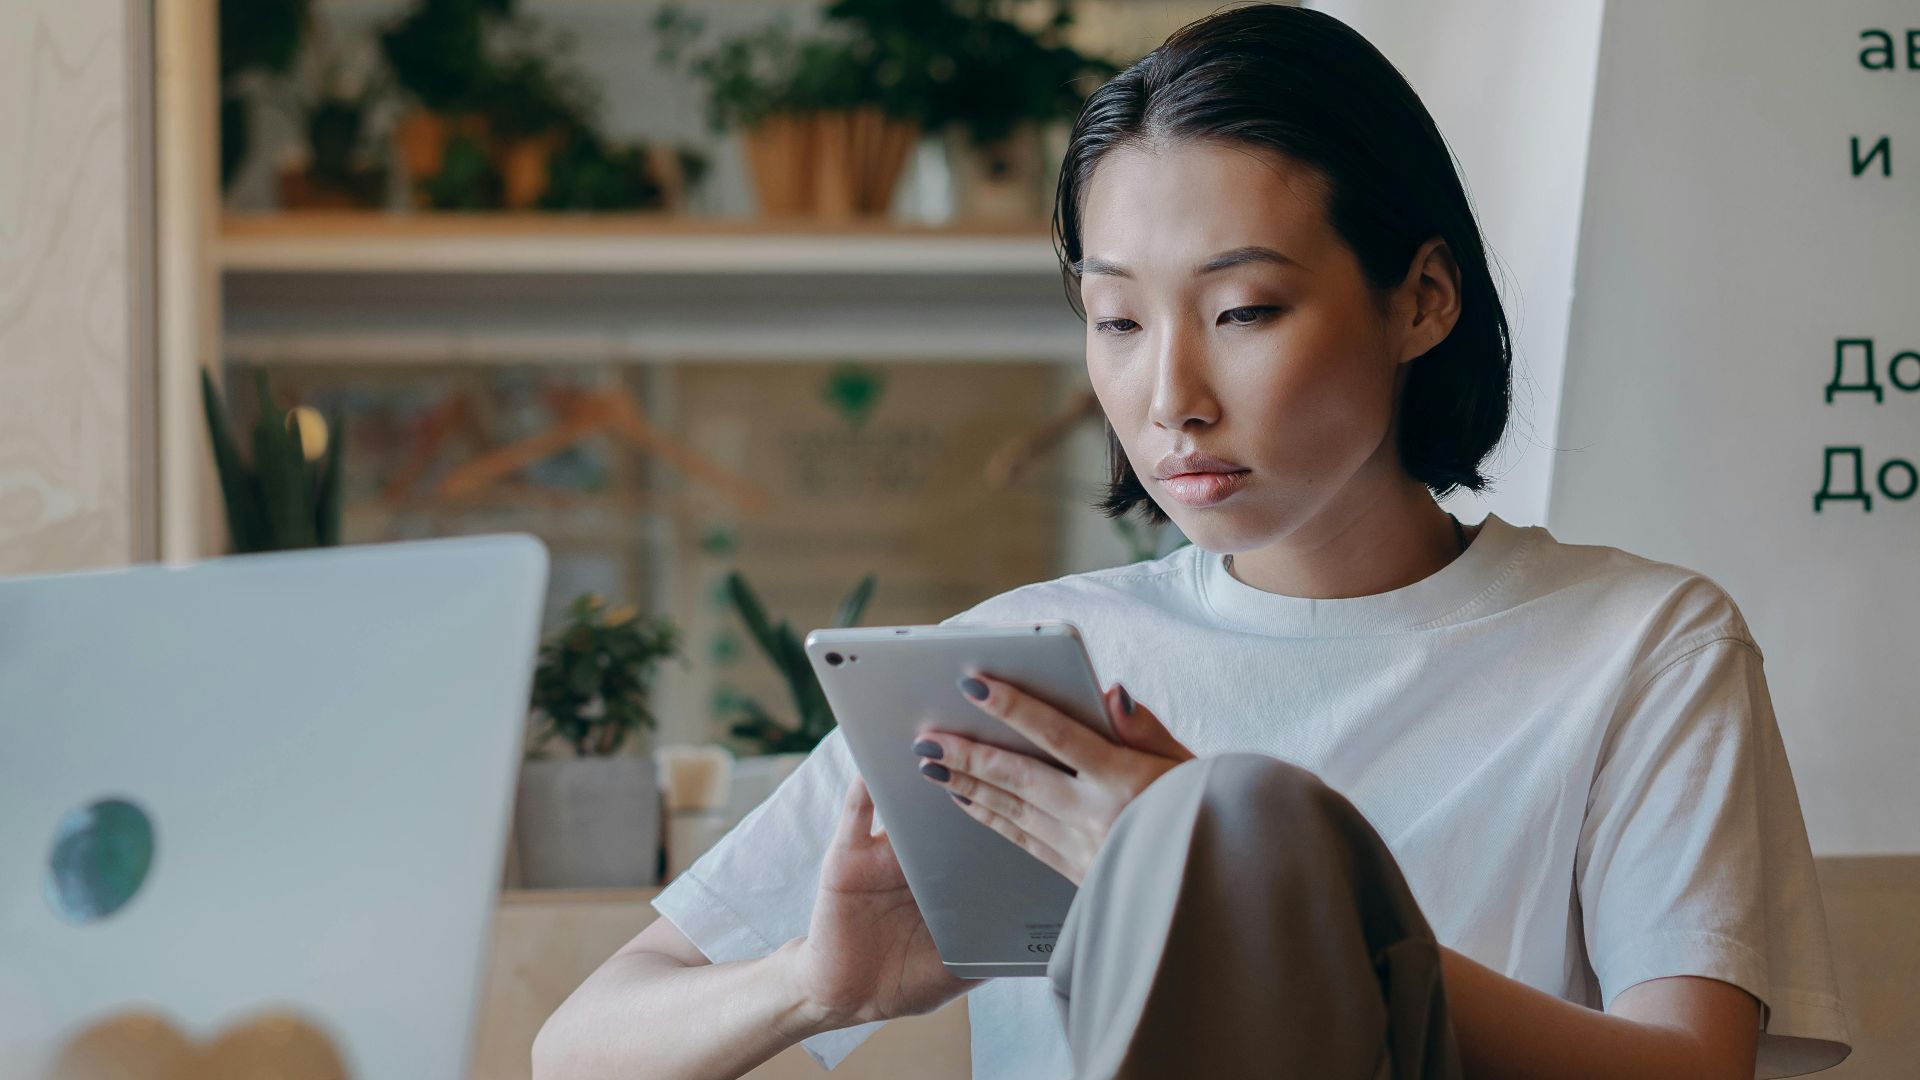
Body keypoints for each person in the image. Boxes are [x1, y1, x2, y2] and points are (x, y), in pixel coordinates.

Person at [531, 5, 1852, 1078]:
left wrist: (1221, 880)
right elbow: (577, 1049)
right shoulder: (1025, 669)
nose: (1170, 397)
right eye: (1116, 320)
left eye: (1244, 310)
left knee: (1248, 819)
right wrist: (811, 987)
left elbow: (1689, 1070)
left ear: (1424, 299)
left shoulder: (1641, 647)